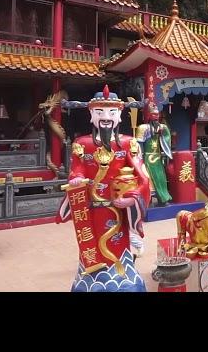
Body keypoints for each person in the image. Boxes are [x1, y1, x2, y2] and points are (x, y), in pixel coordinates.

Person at [56, 85, 150, 292]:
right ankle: (89, 277)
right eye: (99, 112)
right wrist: (77, 179)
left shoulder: (128, 143)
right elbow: (77, 170)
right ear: (91, 115)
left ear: (119, 116)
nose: (105, 117)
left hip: (118, 208)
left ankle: (124, 271)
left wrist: (132, 198)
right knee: (90, 244)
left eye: (111, 112)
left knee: (119, 246)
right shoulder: (82, 143)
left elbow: (141, 174)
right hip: (91, 210)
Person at [136, 102, 172, 207]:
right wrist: (140, 157)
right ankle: (149, 200)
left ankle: (163, 199)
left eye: (157, 114)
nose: (156, 116)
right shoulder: (143, 128)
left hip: (157, 157)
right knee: (148, 179)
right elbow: (139, 144)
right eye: (153, 114)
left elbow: (167, 138)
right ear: (149, 116)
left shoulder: (162, 127)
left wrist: (162, 134)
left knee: (161, 178)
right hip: (147, 157)